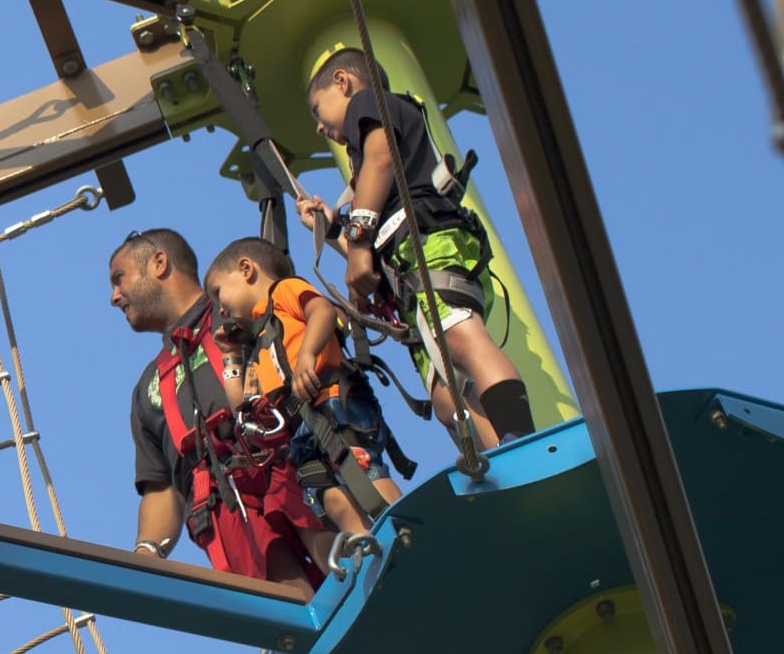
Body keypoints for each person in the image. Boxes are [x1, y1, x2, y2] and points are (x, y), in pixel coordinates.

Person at [296, 48, 536, 448]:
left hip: (428, 246)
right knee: (447, 397)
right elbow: (371, 249)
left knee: (460, 338)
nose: (320, 128)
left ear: (343, 81)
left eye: (318, 110)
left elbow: (381, 158)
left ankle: (520, 438)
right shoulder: (367, 179)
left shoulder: (367, 103)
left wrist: (356, 242)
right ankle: (499, 457)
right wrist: (333, 227)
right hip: (406, 266)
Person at [110, 228, 343, 595]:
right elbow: (161, 486)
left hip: (295, 470)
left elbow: (308, 324)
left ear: (159, 263)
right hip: (229, 515)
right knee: (291, 610)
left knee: (345, 569)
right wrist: (147, 552)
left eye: (119, 279)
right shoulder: (149, 390)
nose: (114, 297)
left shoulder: (242, 308)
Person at [201, 235, 400, 542]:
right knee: (325, 490)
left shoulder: (283, 291)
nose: (221, 311)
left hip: (331, 401)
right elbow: (240, 402)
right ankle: (367, 542)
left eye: (219, 294)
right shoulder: (257, 348)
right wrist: (230, 356)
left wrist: (307, 353)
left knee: (360, 467)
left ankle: (401, 525)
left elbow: (322, 311)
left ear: (246, 269)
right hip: (301, 428)